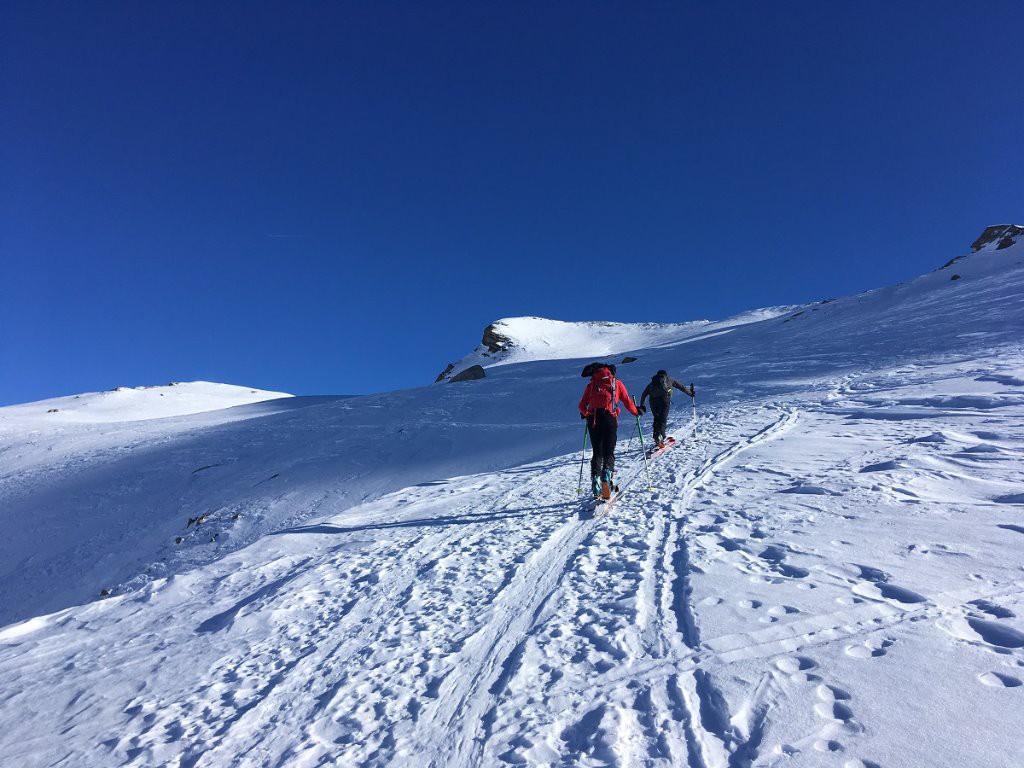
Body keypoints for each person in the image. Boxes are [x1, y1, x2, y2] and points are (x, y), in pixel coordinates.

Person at [578, 362, 641, 499]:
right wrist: (637, 412)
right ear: (611, 372)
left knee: (597, 452)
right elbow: (627, 401)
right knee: (609, 451)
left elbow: (581, 405)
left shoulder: (592, 384)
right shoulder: (616, 383)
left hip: (593, 420)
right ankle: (606, 475)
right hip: (609, 419)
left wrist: (587, 413)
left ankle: (596, 479)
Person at [639, 370, 695, 448]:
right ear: (665, 375)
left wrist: (642, 405)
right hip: (664, 400)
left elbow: (644, 394)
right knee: (663, 419)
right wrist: (691, 393)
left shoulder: (652, 383)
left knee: (657, 418)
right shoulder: (669, 379)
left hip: (653, 402)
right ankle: (661, 436)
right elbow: (682, 387)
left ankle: (656, 436)